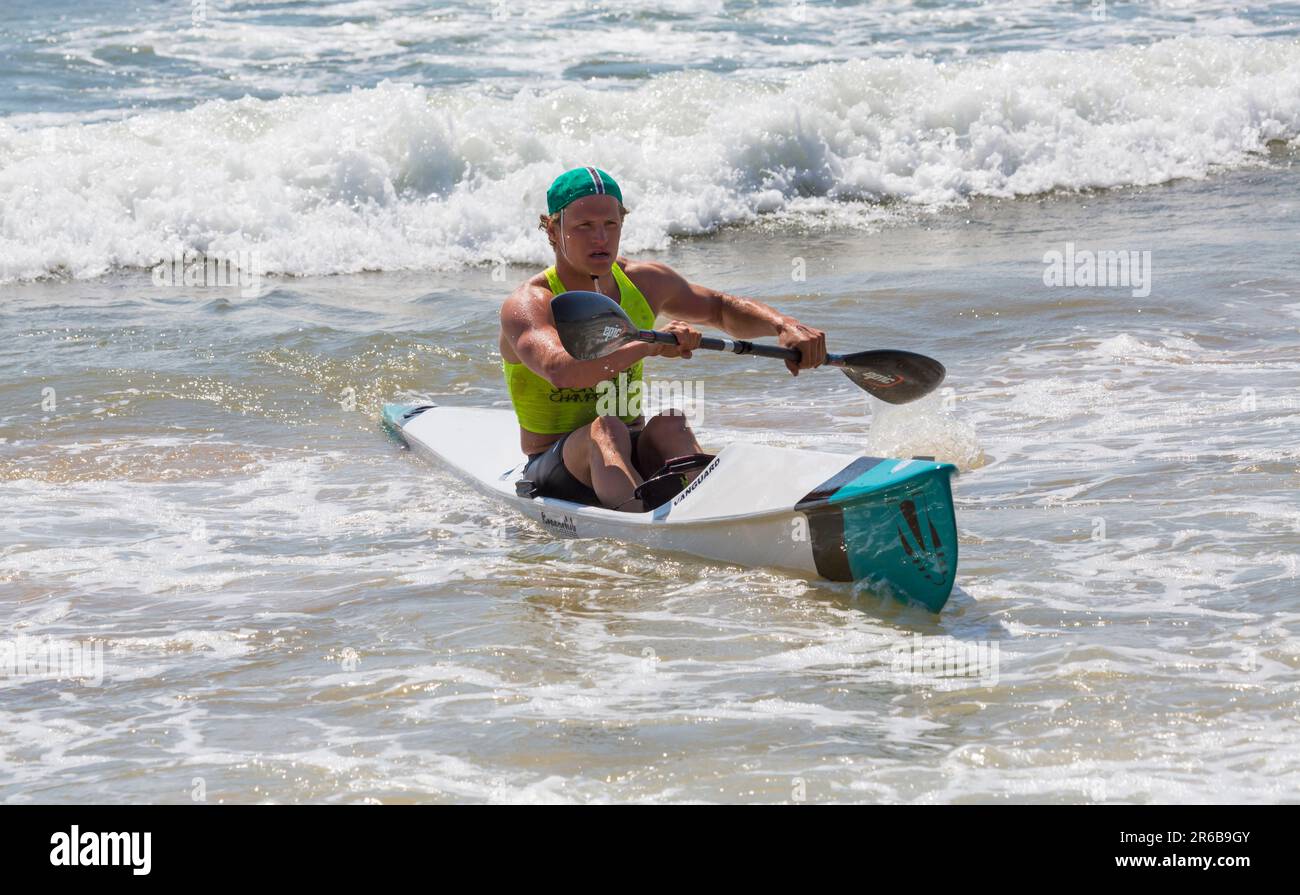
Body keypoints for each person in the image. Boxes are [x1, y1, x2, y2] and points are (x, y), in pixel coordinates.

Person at [499, 166, 828, 511]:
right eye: (584, 226)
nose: (601, 238)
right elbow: (560, 371)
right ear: (553, 230)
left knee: (670, 422)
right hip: (553, 470)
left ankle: (716, 513)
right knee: (606, 427)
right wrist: (651, 344)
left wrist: (783, 325)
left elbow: (720, 308)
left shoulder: (645, 282)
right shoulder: (528, 304)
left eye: (610, 225)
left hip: (627, 449)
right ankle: (647, 523)